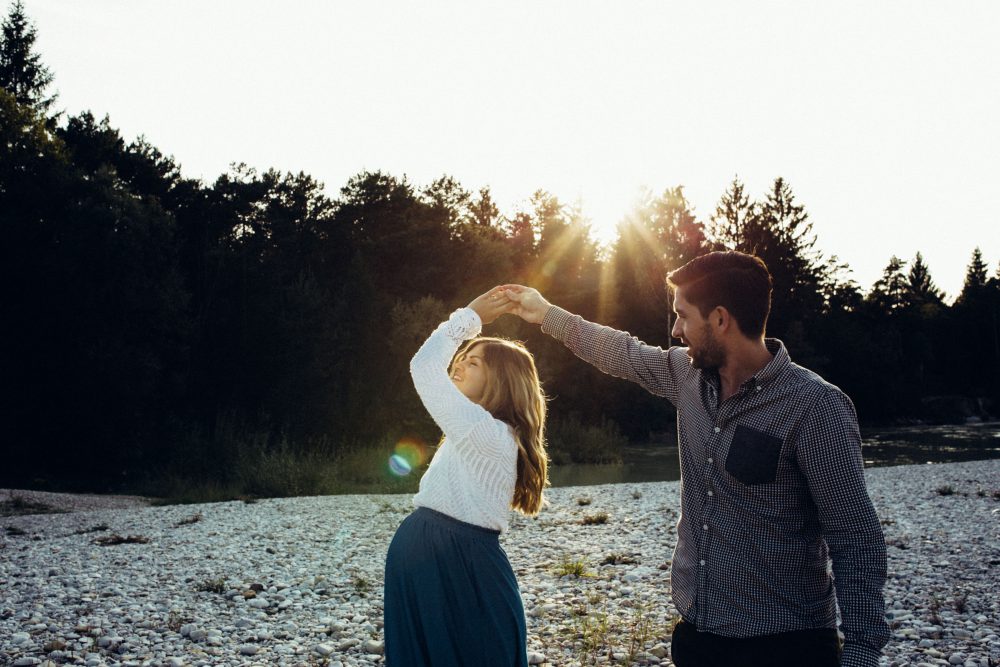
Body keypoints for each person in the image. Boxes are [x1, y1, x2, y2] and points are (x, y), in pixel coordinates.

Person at [499, 251, 889, 667]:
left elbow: (855, 537)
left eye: (683, 316)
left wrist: (862, 651)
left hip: (786, 644)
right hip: (697, 637)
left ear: (720, 319)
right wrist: (546, 314)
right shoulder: (686, 377)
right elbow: (622, 352)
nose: (675, 329)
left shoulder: (815, 407)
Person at [383, 287, 548, 667]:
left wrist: (469, 318)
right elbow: (429, 370)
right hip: (437, 551)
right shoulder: (483, 429)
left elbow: (423, 367)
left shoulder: (486, 431)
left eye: (473, 362)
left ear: (501, 381)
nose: (458, 363)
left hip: (456, 554)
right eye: (463, 356)